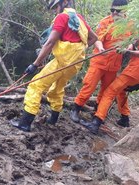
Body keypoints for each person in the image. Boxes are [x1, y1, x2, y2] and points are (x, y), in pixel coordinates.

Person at [10, 0, 98, 132]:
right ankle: (53, 119)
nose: (55, 10)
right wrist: (78, 51)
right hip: (74, 64)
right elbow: (93, 38)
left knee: (35, 85)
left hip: (62, 62)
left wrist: (35, 64)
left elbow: (50, 42)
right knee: (57, 88)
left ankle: (25, 123)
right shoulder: (79, 18)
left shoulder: (62, 17)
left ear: (65, 3)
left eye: (56, 6)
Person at [81, 38, 139, 134]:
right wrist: (131, 45)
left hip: (136, 70)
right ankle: (124, 118)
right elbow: (138, 47)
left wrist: (128, 51)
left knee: (109, 92)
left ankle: (96, 122)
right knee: (121, 91)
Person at [70, 0, 131, 127]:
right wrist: (101, 47)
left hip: (114, 66)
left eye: (117, 11)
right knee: (89, 87)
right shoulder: (105, 22)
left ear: (124, 11)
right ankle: (76, 108)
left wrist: (127, 48)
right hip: (99, 61)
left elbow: (132, 41)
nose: (114, 13)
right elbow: (97, 39)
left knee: (105, 90)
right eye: (112, 10)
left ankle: (97, 111)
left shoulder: (129, 25)